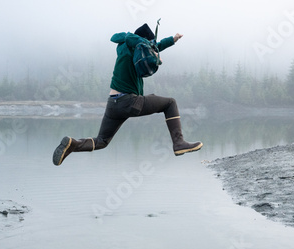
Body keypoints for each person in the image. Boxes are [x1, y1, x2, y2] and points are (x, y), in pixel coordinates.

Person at [52, 23, 203, 166]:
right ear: (144, 42)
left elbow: (152, 46)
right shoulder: (139, 48)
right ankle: (178, 143)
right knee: (170, 103)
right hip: (129, 102)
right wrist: (155, 59)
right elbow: (149, 52)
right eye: (149, 45)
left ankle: (73, 144)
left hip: (113, 104)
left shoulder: (125, 47)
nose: (151, 49)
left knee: (102, 141)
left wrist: (172, 39)